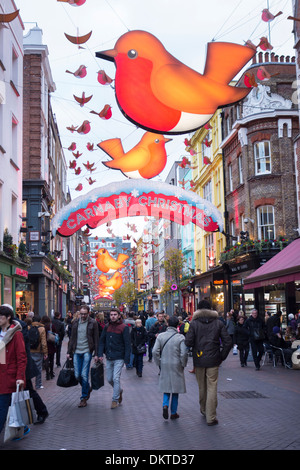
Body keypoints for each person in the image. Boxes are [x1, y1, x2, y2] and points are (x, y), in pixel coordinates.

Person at [185, 300, 232, 426]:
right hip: (214, 359)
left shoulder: (193, 323)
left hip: (199, 359)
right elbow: (228, 341)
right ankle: (211, 417)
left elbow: (188, 342)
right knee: (212, 387)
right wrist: (222, 356)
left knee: (202, 387)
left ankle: (204, 409)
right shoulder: (218, 323)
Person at [152, 316, 188, 420]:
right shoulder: (180, 338)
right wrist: (183, 363)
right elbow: (184, 353)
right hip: (176, 364)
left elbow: (155, 351)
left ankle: (165, 405)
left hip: (165, 364)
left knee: (166, 388)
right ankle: (173, 412)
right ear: (177, 325)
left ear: (167, 324)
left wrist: (159, 362)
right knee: (176, 389)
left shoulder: (161, 336)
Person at [0, 305, 27, 435]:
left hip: (8, 379)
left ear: (8, 317)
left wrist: (20, 377)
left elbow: (21, 357)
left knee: (2, 410)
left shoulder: (16, 334)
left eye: (1, 317)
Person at [67, 305, 99, 408]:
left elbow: (96, 339)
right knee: (77, 375)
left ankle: (83, 398)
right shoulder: (75, 322)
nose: (83, 315)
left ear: (88, 313)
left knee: (84, 375)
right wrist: (69, 351)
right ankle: (87, 387)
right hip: (76, 351)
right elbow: (72, 338)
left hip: (87, 351)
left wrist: (97, 354)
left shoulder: (93, 323)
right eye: (82, 314)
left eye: (85, 314)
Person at [98, 308, 130, 409]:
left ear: (119, 315)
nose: (113, 316)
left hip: (119, 356)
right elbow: (102, 341)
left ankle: (115, 399)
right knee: (109, 379)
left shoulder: (123, 327)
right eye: (111, 314)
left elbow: (127, 344)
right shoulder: (107, 327)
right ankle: (119, 390)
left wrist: (126, 359)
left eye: (115, 314)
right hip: (109, 356)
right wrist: (99, 354)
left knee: (116, 378)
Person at [28, 314, 48, 389]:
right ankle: (38, 384)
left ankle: (29, 384)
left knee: (29, 367)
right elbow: (43, 342)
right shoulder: (42, 328)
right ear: (40, 320)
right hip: (38, 351)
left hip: (30, 350)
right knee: (38, 368)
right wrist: (45, 352)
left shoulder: (28, 327)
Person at [41, 315, 57, 380]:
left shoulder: (42, 327)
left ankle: (47, 374)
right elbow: (55, 333)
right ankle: (51, 373)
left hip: (45, 344)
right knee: (52, 359)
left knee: (46, 360)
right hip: (51, 344)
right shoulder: (51, 326)